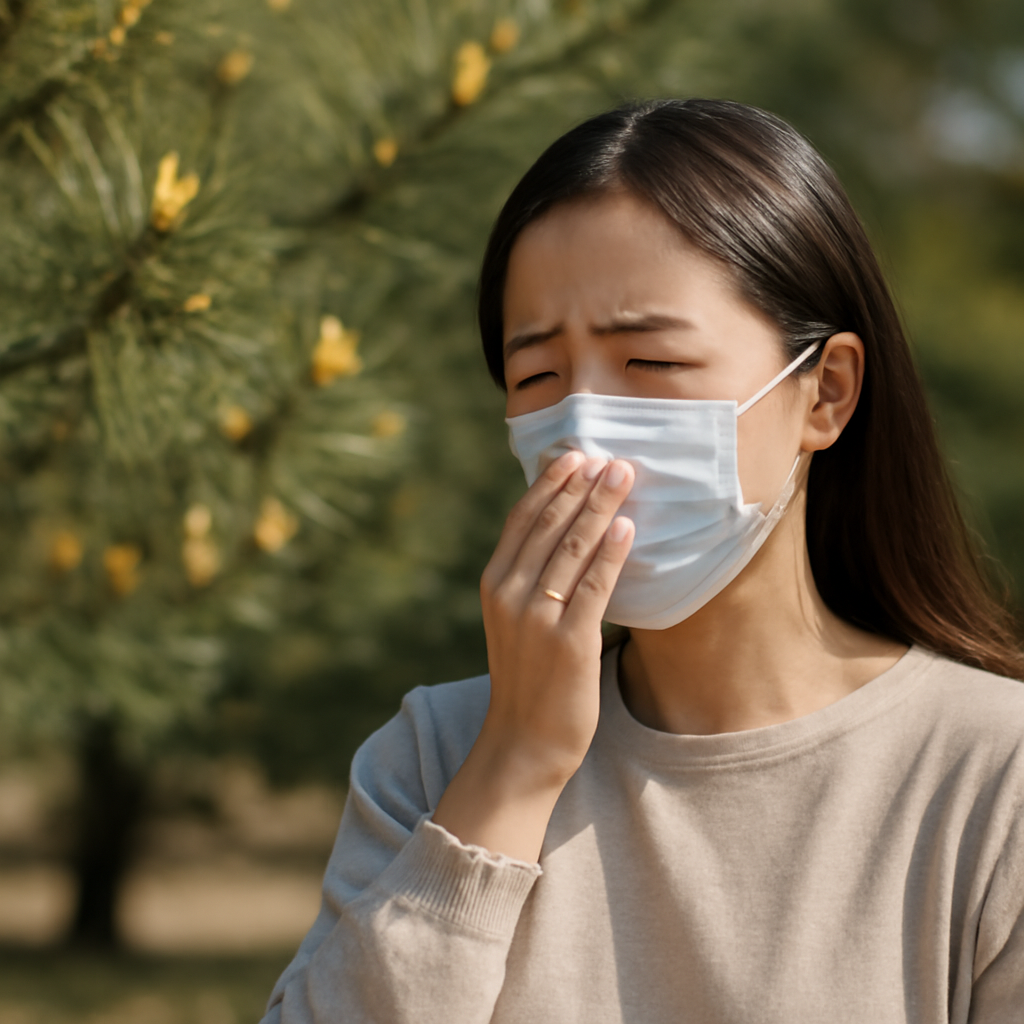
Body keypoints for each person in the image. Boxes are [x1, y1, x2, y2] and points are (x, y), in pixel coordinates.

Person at [261, 99, 1024, 1023]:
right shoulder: (436, 756)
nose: (585, 434)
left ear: (826, 392)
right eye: (538, 378)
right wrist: (516, 762)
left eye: (651, 364)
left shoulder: (994, 774)